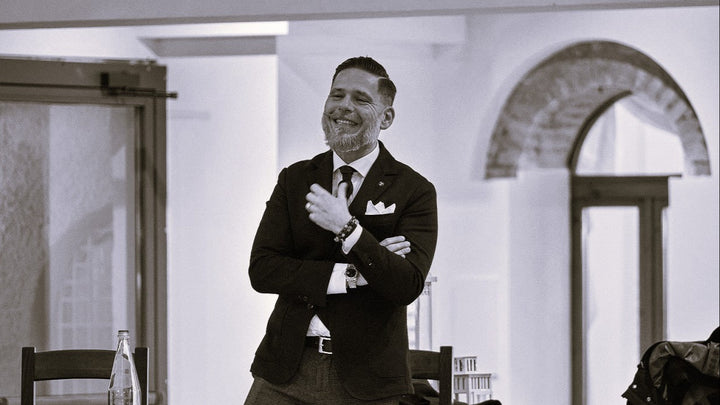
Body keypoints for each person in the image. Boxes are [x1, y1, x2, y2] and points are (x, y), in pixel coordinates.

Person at [245, 56, 438, 404]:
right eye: (337, 95)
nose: (344, 106)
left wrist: (348, 229)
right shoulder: (294, 179)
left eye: (361, 99)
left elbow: (406, 284)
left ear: (386, 117)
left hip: (367, 380)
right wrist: (352, 275)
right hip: (284, 370)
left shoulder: (414, 190)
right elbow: (263, 270)